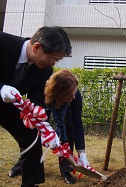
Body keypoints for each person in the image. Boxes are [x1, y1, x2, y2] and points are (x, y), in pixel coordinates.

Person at [0, 26, 72, 187]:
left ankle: (30, 184)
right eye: (52, 58)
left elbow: (36, 104)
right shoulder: (3, 42)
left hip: (8, 106)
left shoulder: (45, 71)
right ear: (36, 47)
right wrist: (1, 87)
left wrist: (45, 128)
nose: (52, 63)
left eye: (56, 61)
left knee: (32, 134)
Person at [44, 69, 89, 184]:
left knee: (67, 131)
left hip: (66, 114)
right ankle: (24, 165)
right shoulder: (45, 91)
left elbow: (77, 123)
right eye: (71, 94)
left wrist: (81, 153)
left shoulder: (75, 96)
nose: (74, 97)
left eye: (75, 93)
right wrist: (46, 134)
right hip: (49, 107)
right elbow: (42, 119)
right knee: (33, 135)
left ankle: (66, 170)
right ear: (60, 92)